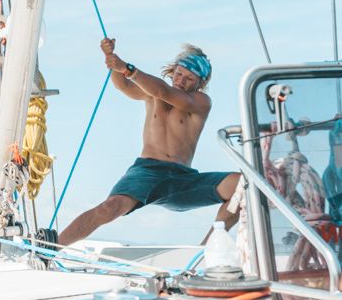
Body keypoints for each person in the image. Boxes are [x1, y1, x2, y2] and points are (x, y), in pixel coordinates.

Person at [58, 39, 241, 247]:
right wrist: (111, 60)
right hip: (146, 170)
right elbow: (123, 86)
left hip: (180, 179)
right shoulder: (151, 93)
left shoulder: (200, 102)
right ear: (173, 71)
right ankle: (52, 248)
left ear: (200, 83)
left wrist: (126, 68)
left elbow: (165, 92)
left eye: (189, 78)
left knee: (242, 185)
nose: (181, 81)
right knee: (109, 207)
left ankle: (206, 251)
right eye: (179, 74)